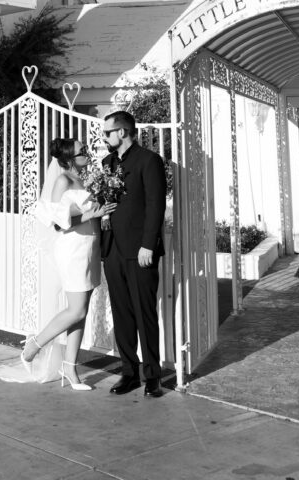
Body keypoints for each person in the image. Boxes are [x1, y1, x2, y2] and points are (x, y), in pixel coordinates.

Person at [0, 137, 116, 389]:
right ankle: (33, 346)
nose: (87, 154)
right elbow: (58, 223)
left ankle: (70, 370)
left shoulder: (85, 179)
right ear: (69, 157)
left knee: (81, 312)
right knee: (76, 310)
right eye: (82, 151)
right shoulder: (62, 181)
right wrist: (90, 214)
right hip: (72, 248)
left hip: (90, 246)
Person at [101, 109, 167, 397]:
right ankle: (129, 373)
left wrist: (148, 245)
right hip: (112, 248)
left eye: (107, 133)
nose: (104, 137)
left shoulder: (149, 161)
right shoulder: (107, 163)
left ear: (123, 132)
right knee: (122, 314)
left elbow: (156, 205)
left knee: (145, 314)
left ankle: (153, 376)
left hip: (140, 250)